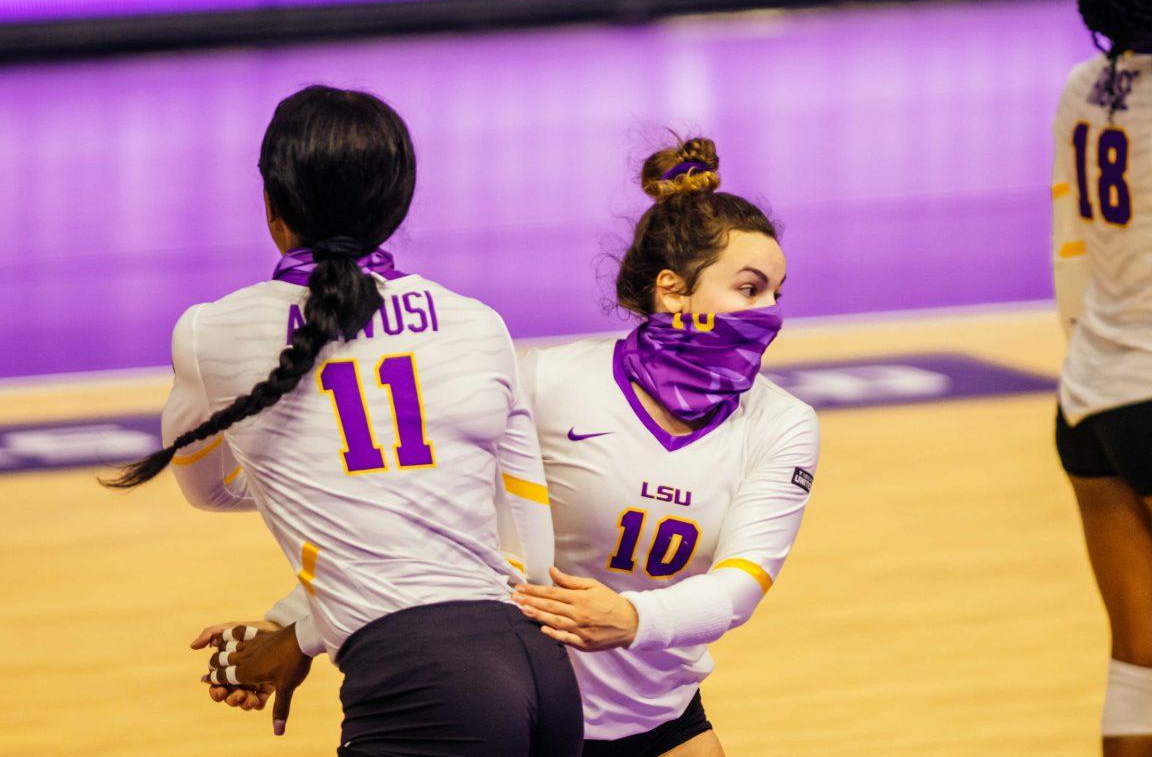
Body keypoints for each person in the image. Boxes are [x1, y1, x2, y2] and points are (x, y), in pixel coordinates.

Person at [208, 135, 818, 756]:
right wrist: (296, 627)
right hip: (520, 708)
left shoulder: (783, 424)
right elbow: (425, 527)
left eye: (777, 292)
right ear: (672, 290)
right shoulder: (549, 382)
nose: (770, 311)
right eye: (750, 289)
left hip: (658, 715)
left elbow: (742, 583)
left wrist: (633, 621)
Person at [106, 85, 582, 757]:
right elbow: (525, 551)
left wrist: (315, 480)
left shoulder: (210, 334)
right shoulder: (479, 322)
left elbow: (208, 489)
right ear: (398, 206)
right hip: (548, 678)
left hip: (421, 685)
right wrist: (301, 629)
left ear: (272, 207)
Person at [1053, 0, 1152, 755]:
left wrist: (1086, 360)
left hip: (1088, 397)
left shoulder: (1085, 83)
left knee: (1143, 662)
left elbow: (1067, 246)